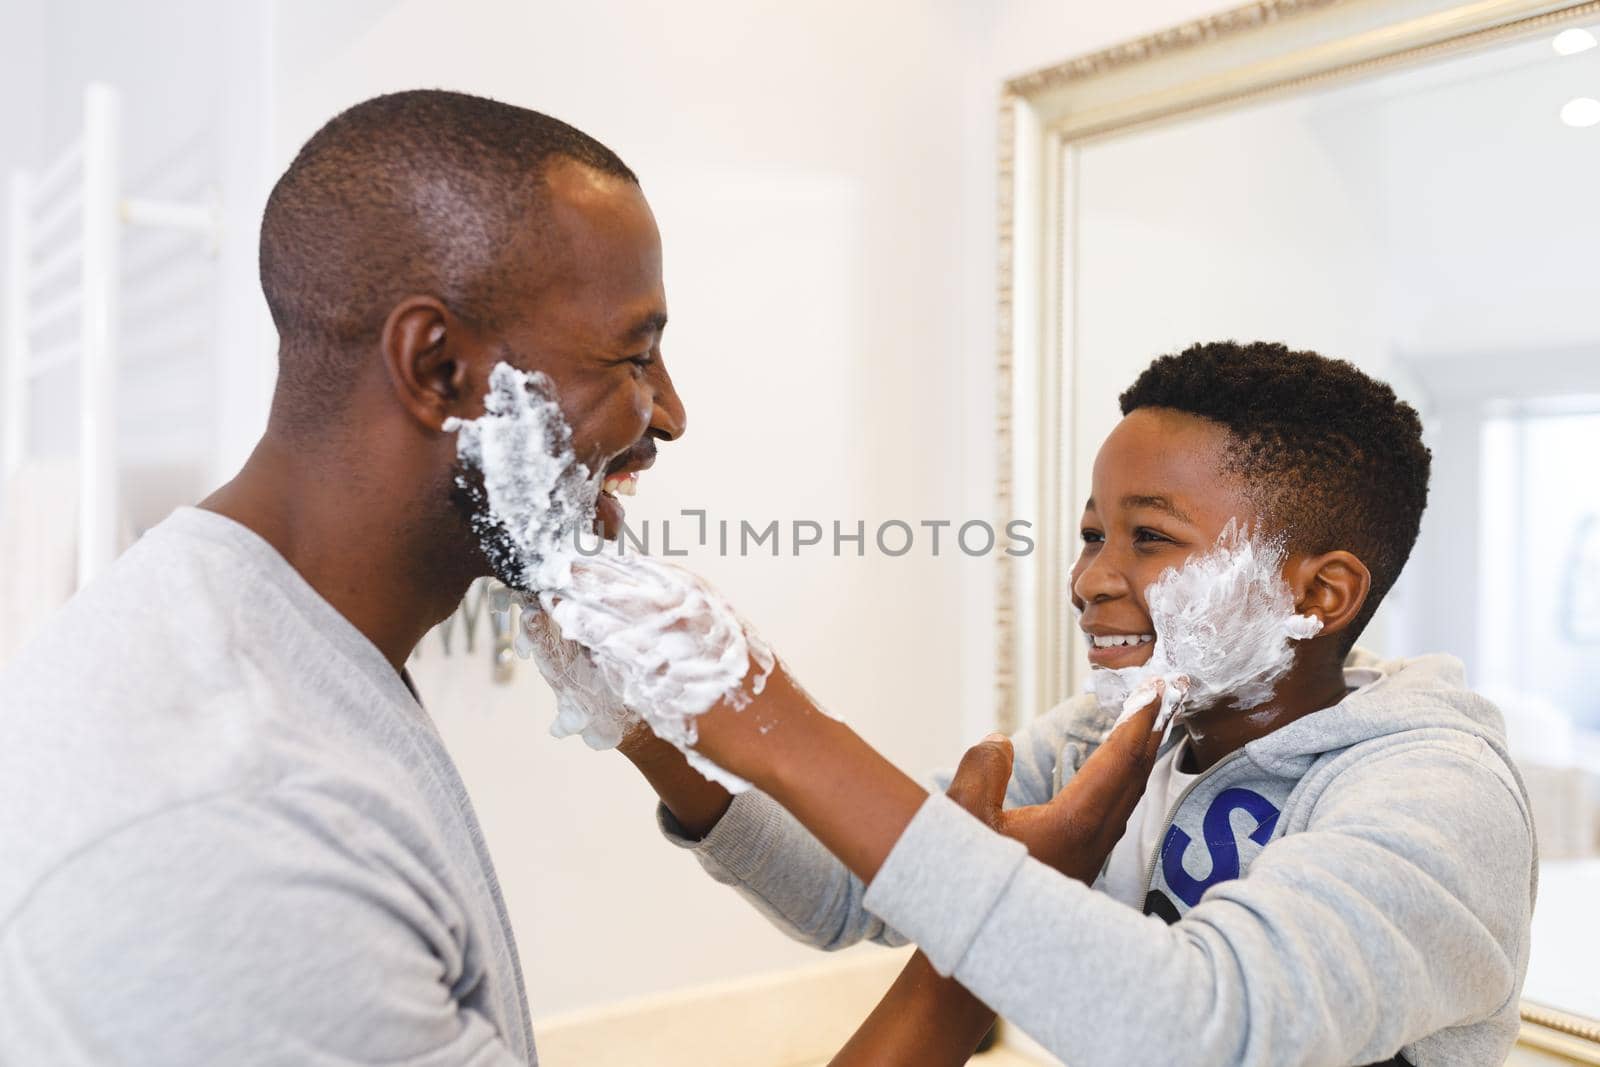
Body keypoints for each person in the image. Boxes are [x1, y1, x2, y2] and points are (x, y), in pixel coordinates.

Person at [615, 341, 1538, 1066]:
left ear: (1319, 594)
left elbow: (1205, 1031)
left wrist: (789, 730)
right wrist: (645, 722)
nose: (1090, 577)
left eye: (1150, 536)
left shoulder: (1434, 796)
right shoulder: (1115, 733)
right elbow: (846, 891)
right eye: (1093, 531)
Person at [0, 89, 686, 1064]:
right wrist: (952, 979)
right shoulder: (235, 816)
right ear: (438, 366)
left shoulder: (281, 641)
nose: (669, 415)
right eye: (636, 354)